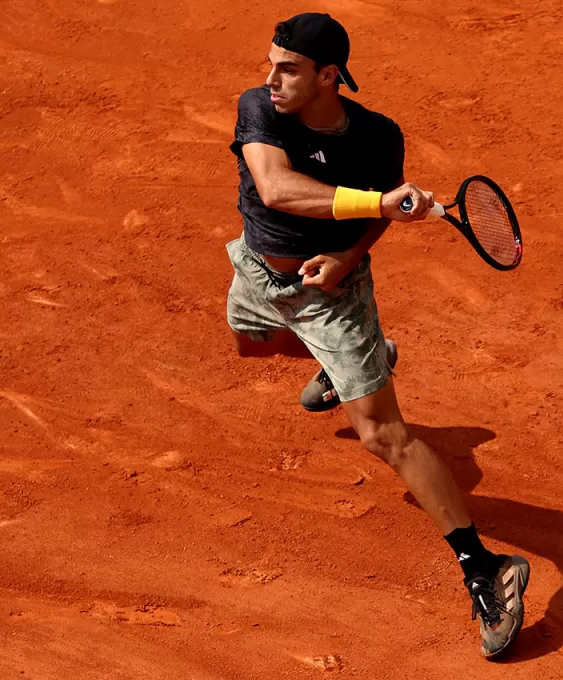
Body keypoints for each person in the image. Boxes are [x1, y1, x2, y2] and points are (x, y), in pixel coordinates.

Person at [224, 12, 529, 659]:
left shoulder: (377, 137)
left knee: (382, 435)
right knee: (251, 343)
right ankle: (351, 369)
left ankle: (485, 567)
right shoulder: (260, 110)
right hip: (257, 270)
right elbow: (276, 189)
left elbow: (386, 209)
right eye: (271, 64)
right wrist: (379, 203)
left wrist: (348, 254)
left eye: (289, 69)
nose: (271, 79)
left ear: (329, 76)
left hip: (333, 295)